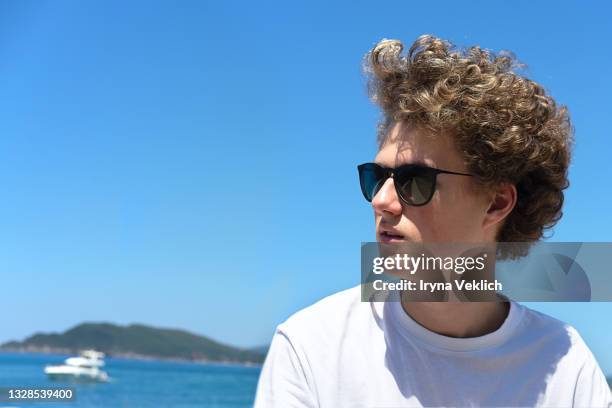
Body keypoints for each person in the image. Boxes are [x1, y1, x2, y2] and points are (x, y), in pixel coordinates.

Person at [254, 34, 612, 407]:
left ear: (497, 203)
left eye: (414, 181)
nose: (381, 201)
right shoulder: (313, 348)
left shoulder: (567, 371)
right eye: (376, 178)